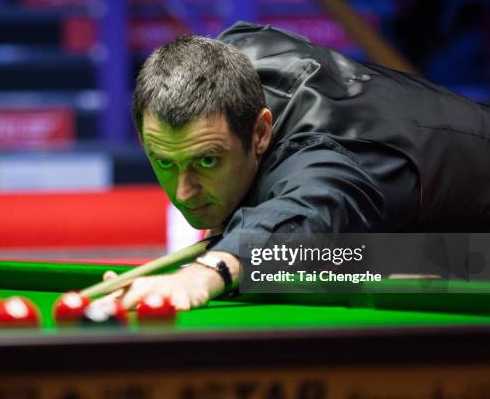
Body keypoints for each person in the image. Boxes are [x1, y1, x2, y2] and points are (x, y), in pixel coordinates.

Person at [105, 21, 490, 310]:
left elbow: (306, 214)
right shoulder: (227, 63)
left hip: (475, 243)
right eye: (165, 162)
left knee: (329, 257)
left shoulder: (327, 160)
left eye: (208, 160)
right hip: (425, 231)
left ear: (259, 133)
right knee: (344, 261)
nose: (184, 191)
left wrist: (207, 274)